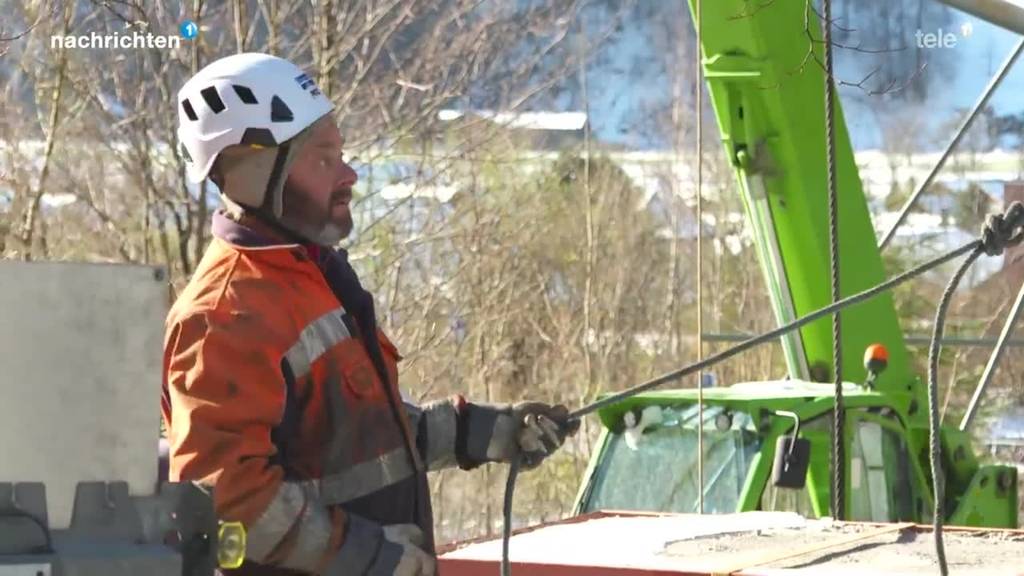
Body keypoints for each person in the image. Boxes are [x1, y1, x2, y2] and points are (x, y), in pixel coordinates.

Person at [162, 53, 578, 576]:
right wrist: (368, 557)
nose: (349, 174)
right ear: (257, 172)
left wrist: (483, 431)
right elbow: (232, 500)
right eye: (323, 158)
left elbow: (353, 434)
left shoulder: (309, 276)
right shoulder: (225, 313)